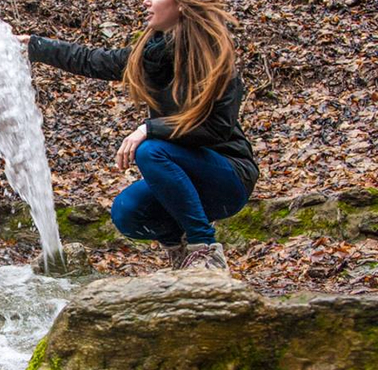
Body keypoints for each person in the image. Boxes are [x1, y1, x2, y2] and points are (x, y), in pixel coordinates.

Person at [17, 0, 258, 271]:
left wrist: (148, 129)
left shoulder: (213, 56)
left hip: (228, 176)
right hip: (183, 181)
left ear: (181, 5)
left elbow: (218, 128)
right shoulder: (149, 55)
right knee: (127, 211)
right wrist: (34, 46)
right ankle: (179, 253)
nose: (145, 2)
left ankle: (205, 250)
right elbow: (91, 60)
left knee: (150, 151)